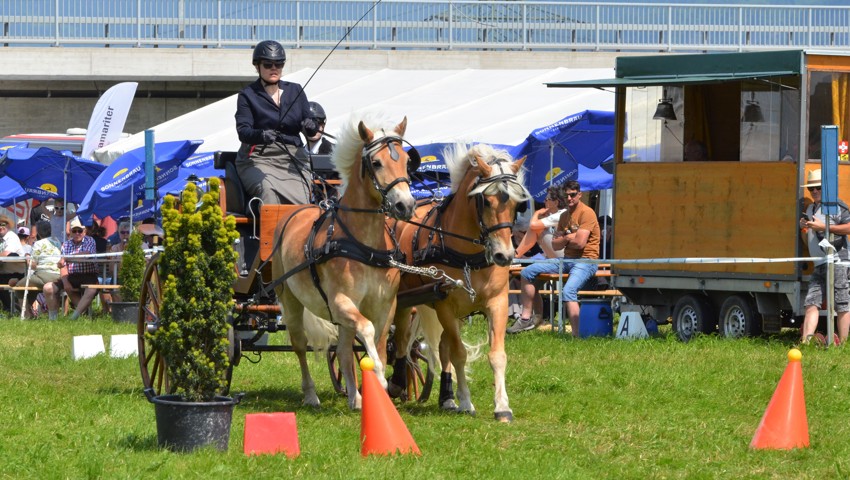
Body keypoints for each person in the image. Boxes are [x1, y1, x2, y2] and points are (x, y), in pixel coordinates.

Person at [509, 181, 600, 337]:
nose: (569, 198)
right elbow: (556, 245)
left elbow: (580, 243)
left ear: (579, 195)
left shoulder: (587, 212)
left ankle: (576, 336)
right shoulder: (564, 215)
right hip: (565, 259)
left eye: (573, 195)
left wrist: (564, 238)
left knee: (568, 291)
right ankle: (526, 318)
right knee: (526, 273)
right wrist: (567, 238)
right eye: (567, 195)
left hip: (586, 261)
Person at [234, 39, 317, 206]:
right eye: (268, 64)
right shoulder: (247, 95)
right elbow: (243, 131)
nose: (274, 68)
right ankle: (269, 232)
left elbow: (312, 129)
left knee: (303, 198)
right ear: (257, 66)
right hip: (259, 158)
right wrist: (261, 135)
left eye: (278, 64)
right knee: (268, 190)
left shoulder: (295, 90)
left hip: (293, 159)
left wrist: (310, 125)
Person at [799, 169, 850, 345]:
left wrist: (824, 228)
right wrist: (804, 228)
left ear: (826, 188)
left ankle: (843, 344)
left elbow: (849, 227)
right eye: (810, 189)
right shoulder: (811, 208)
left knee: (842, 302)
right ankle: (805, 343)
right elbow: (808, 240)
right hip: (819, 263)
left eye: (818, 188)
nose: (814, 192)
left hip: (838, 261)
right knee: (811, 302)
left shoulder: (837, 205)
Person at [507, 186, 568, 333]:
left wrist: (536, 214)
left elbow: (533, 225)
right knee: (531, 279)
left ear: (556, 202)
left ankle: (526, 318)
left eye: (547, 199)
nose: (544, 202)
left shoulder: (562, 214)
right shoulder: (556, 216)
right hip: (556, 258)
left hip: (565, 260)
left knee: (536, 228)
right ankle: (536, 317)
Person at [13, 221, 62, 319]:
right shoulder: (57, 241)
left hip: (44, 274)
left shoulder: (38, 244)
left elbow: (33, 264)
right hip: (58, 274)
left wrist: (27, 259)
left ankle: (27, 314)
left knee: (18, 286)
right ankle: (31, 311)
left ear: (39, 232)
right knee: (32, 285)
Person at [55, 216, 100, 320]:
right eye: (74, 231)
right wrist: (65, 282)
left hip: (89, 274)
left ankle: (74, 316)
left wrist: (66, 257)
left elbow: (87, 254)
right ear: (70, 232)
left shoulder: (90, 240)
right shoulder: (65, 244)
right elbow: (62, 265)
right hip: (72, 275)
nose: (77, 233)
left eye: (79, 231)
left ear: (84, 232)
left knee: (92, 289)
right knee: (51, 287)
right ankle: (82, 313)